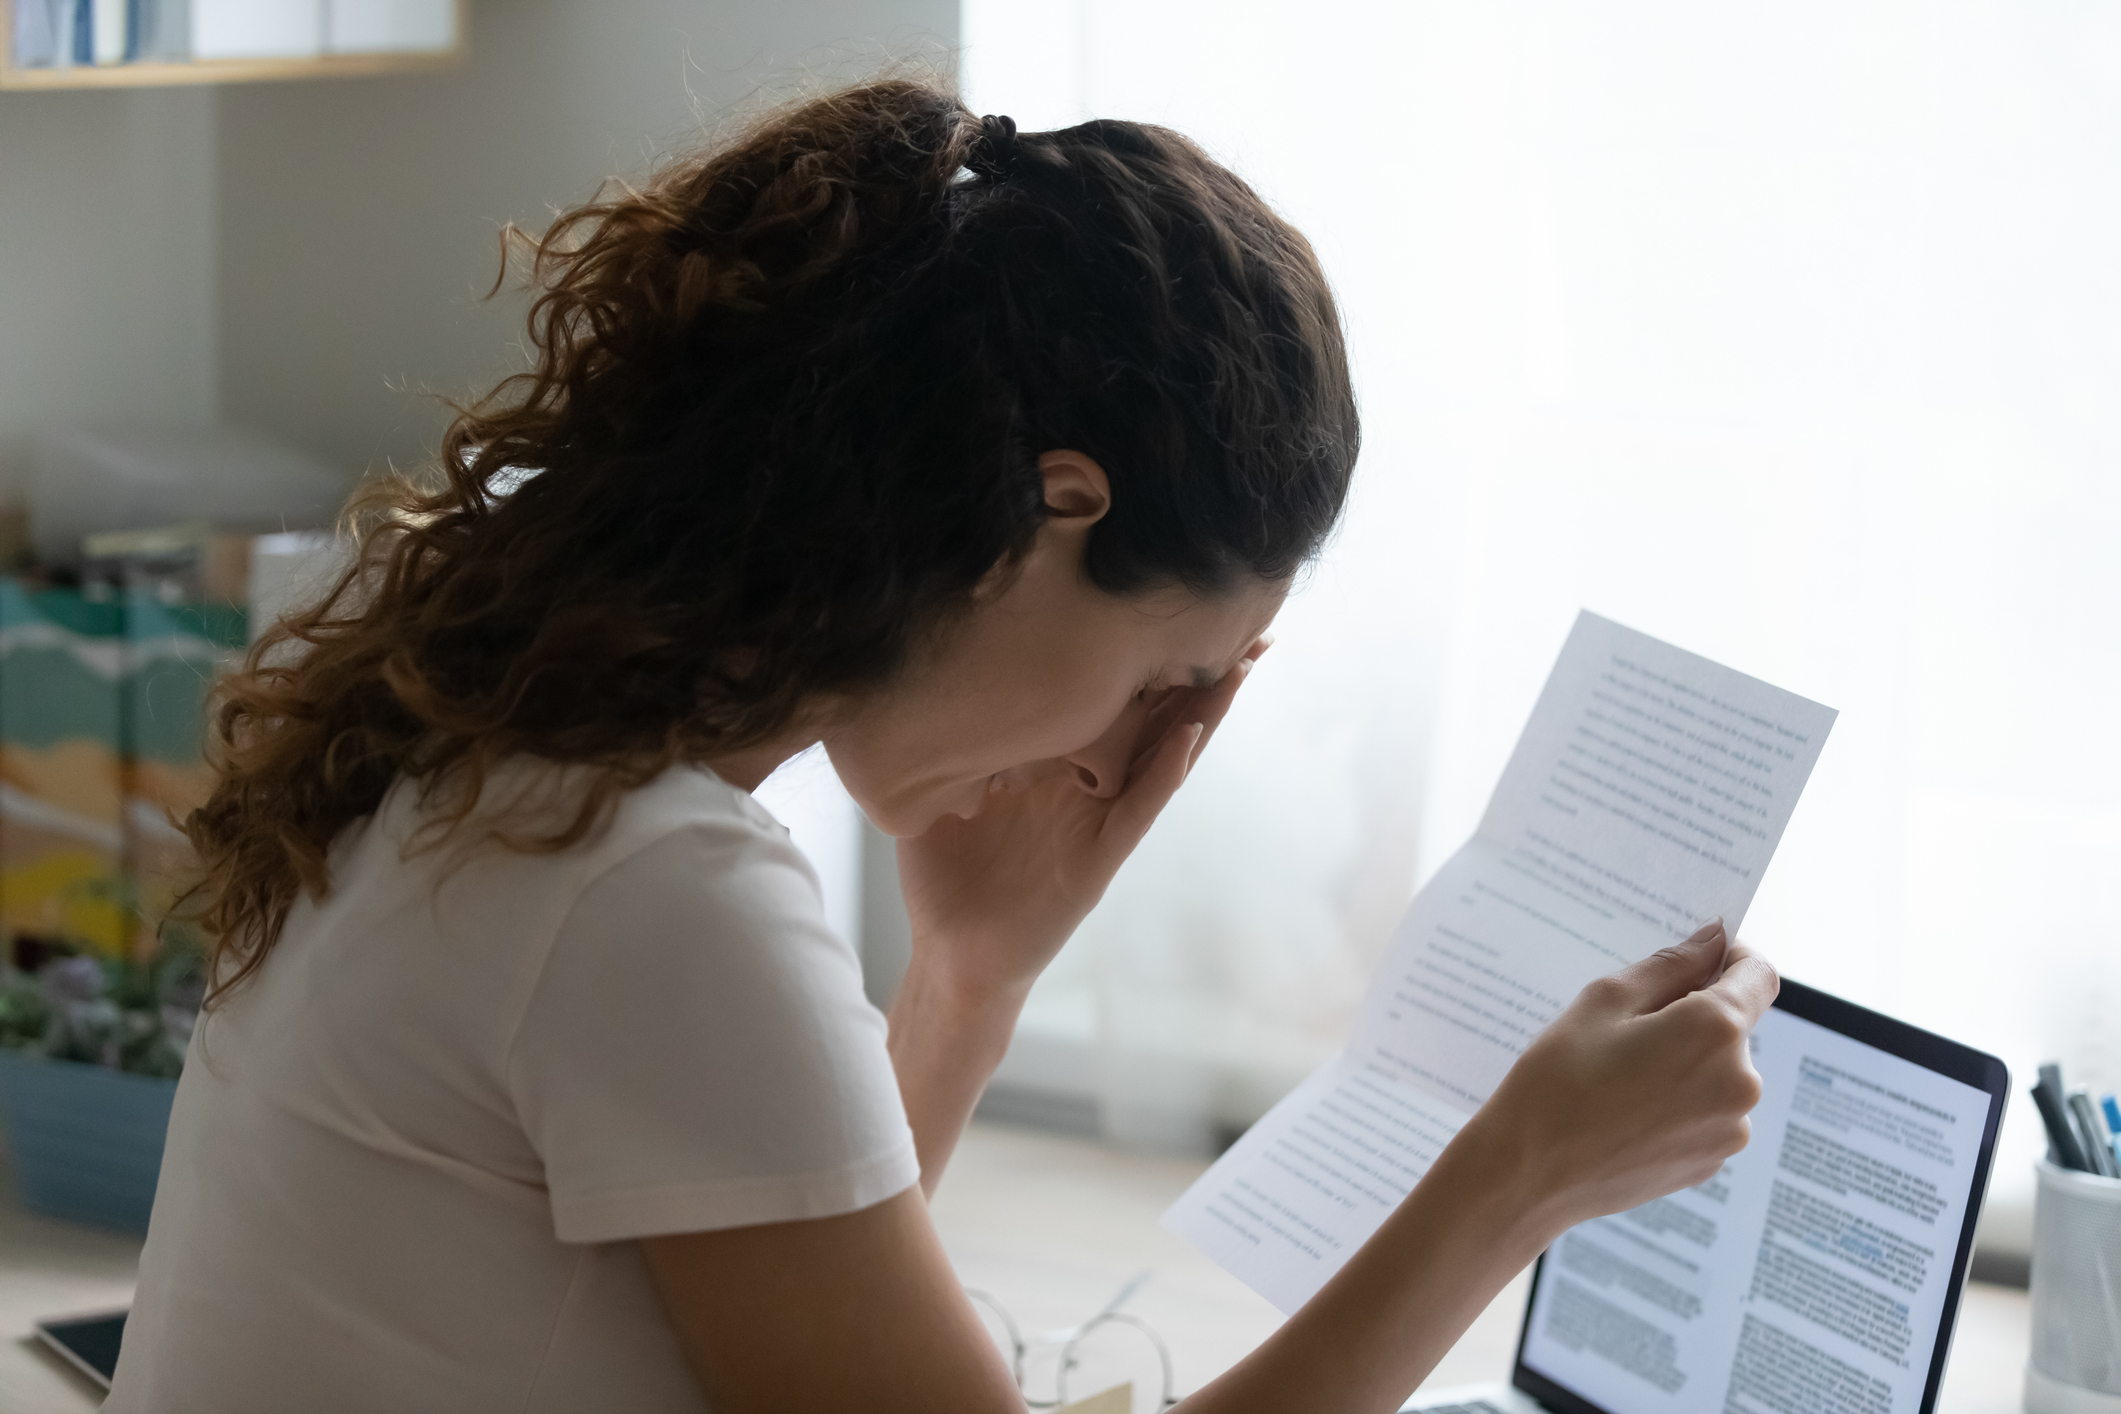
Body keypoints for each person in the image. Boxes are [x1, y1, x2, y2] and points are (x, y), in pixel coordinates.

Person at [106, 79, 1774, 1414]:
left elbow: (794, 1295)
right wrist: (1511, 1181)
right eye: (1166, 672)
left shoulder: (524, 751)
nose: (1134, 745)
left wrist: (969, 977)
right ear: (1052, 513)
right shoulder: (653, 883)